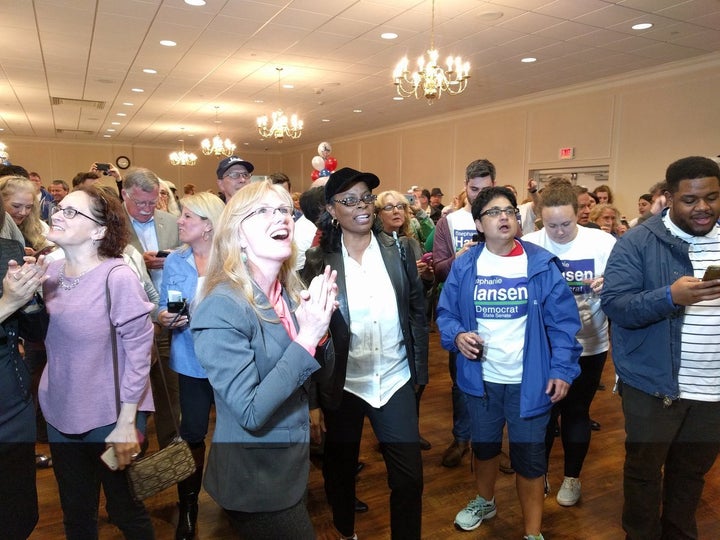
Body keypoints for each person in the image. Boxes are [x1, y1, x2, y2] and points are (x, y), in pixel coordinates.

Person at [191, 180, 338, 539]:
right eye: (264, 211)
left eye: (286, 209)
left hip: (288, 467)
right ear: (236, 235)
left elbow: (321, 377)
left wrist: (322, 328)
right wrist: (306, 336)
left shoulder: (289, 290)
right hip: (255, 480)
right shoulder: (221, 307)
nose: (282, 218)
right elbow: (251, 411)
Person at [437, 186, 581, 540]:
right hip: (481, 380)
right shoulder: (465, 264)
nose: (504, 216)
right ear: (478, 223)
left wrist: (562, 370)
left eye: (510, 210)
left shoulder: (541, 264)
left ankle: (532, 533)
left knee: (530, 458)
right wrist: (456, 335)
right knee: (485, 447)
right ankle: (485, 501)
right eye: (493, 212)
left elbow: (563, 324)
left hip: (529, 383)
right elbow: (446, 313)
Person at [303, 167, 428, 540]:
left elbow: (417, 312)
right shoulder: (318, 260)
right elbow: (310, 334)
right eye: (350, 200)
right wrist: (312, 400)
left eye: (366, 197)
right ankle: (346, 533)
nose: (362, 206)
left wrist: (419, 374)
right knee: (339, 473)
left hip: (394, 379)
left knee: (409, 478)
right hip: (344, 386)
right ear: (332, 209)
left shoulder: (399, 250)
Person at [601, 155, 720, 539]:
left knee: (690, 474)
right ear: (668, 198)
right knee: (644, 472)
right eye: (690, 200)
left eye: (713, 197)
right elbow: (617, 306)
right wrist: (669, 296)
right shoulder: (637, 242)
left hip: (713, 387)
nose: (703, 208)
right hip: (654, 385)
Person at [39, 186, 156, 539]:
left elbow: (140, 355)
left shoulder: (117, 277)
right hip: (60, 410)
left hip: (109, 416)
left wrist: (127, 421)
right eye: (59, 208)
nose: (57, 214)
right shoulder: (51, 271)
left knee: (124, 509)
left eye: (72, 212)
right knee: (76, 511)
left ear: (99, 231)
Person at [523, 183, 616, 506]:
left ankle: (571, 478)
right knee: (544, 415)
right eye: (552, 226)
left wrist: (611, 286)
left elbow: (626, 286)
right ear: (539, 220)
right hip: (543, 347)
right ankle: (540, 473)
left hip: (590, 344)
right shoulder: (530, 245)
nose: (560, 232)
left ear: (579, 214)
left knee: (577, 412)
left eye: (567, 224)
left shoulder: (603, 242)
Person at [156, 192, 224, 539]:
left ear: (209, 225)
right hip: (190, 361)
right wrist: (165, 317)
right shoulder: (175, 261)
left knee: (232, 434)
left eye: (187, 216)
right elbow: (165, 304)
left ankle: (233, 496)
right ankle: (189, 506)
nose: (178, 220)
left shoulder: (233, 260)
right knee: (193, 434)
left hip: (231, 362)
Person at [433, 158, 495, 469]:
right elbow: (438, 269)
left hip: (498, 309)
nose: (479, 195)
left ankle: (493, 444)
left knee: (501, 381)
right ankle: (461, 438)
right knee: (461, 383)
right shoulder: (450, 222)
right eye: (474, 189)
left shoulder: (505, 219)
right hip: (461, 313)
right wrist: (457, 258)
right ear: (465, 188)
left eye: (486, 189)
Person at [122, 167, 181, 450]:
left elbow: (189, 262)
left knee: (170, 387)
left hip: (169, 313)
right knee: (134, 388)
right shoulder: (111, 224)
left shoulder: (171, 221)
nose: (147, 209)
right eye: (140, 202)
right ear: (125, 195)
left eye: (152, 201)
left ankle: (172, 446)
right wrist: (137, 263)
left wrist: (171, 260)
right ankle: (136, 447)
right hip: (131, 320)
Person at [0, 201, 48, 540]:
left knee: (19, 514)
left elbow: (35, 332)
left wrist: (30, 298)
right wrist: (7, 303)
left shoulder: (9, 250)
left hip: (11, 400)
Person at [375, 189, 434, 451]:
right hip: (389, 325)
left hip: (413, 322)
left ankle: (411, 429)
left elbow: (423, 290)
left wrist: (426, 274)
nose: (397, 211)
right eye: (389, 207)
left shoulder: (410, 243)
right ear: (378, 214)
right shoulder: (373, 245)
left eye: (401, 206)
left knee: (415, 380)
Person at [0, 175, 52, 256]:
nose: (23, 212)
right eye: (16, 206)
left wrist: (36, 255)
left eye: (28, 207)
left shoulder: (38, 227)